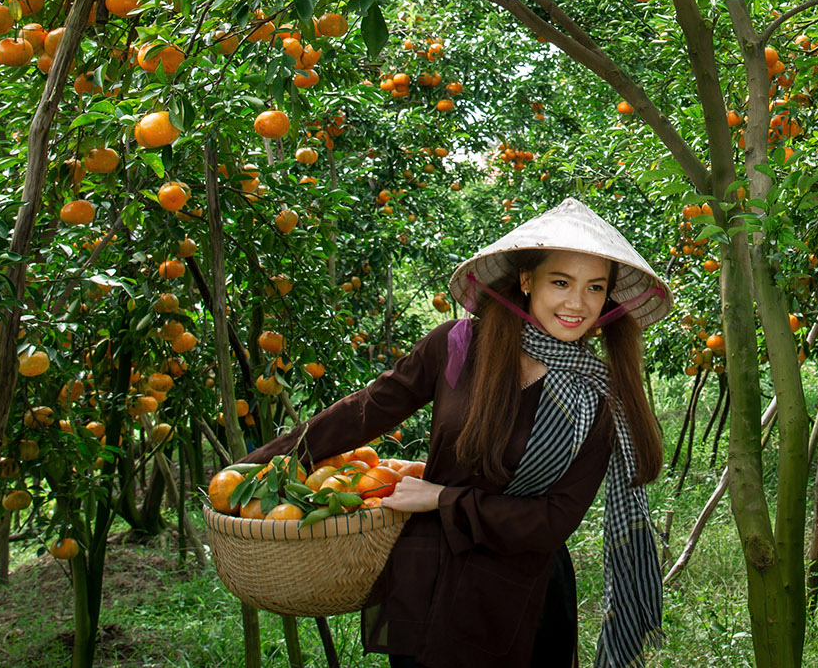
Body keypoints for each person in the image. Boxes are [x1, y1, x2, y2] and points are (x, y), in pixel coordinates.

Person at [240, 198, 670, 668]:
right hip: (431, 576)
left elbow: (552, 521)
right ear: (527, 281)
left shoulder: (597, 399)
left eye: (595, 288)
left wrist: (440, 499)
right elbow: (368, 409)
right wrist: (265, 461)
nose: (576, 303)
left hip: (520, 594)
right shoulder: (459, 346)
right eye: (561, 282)